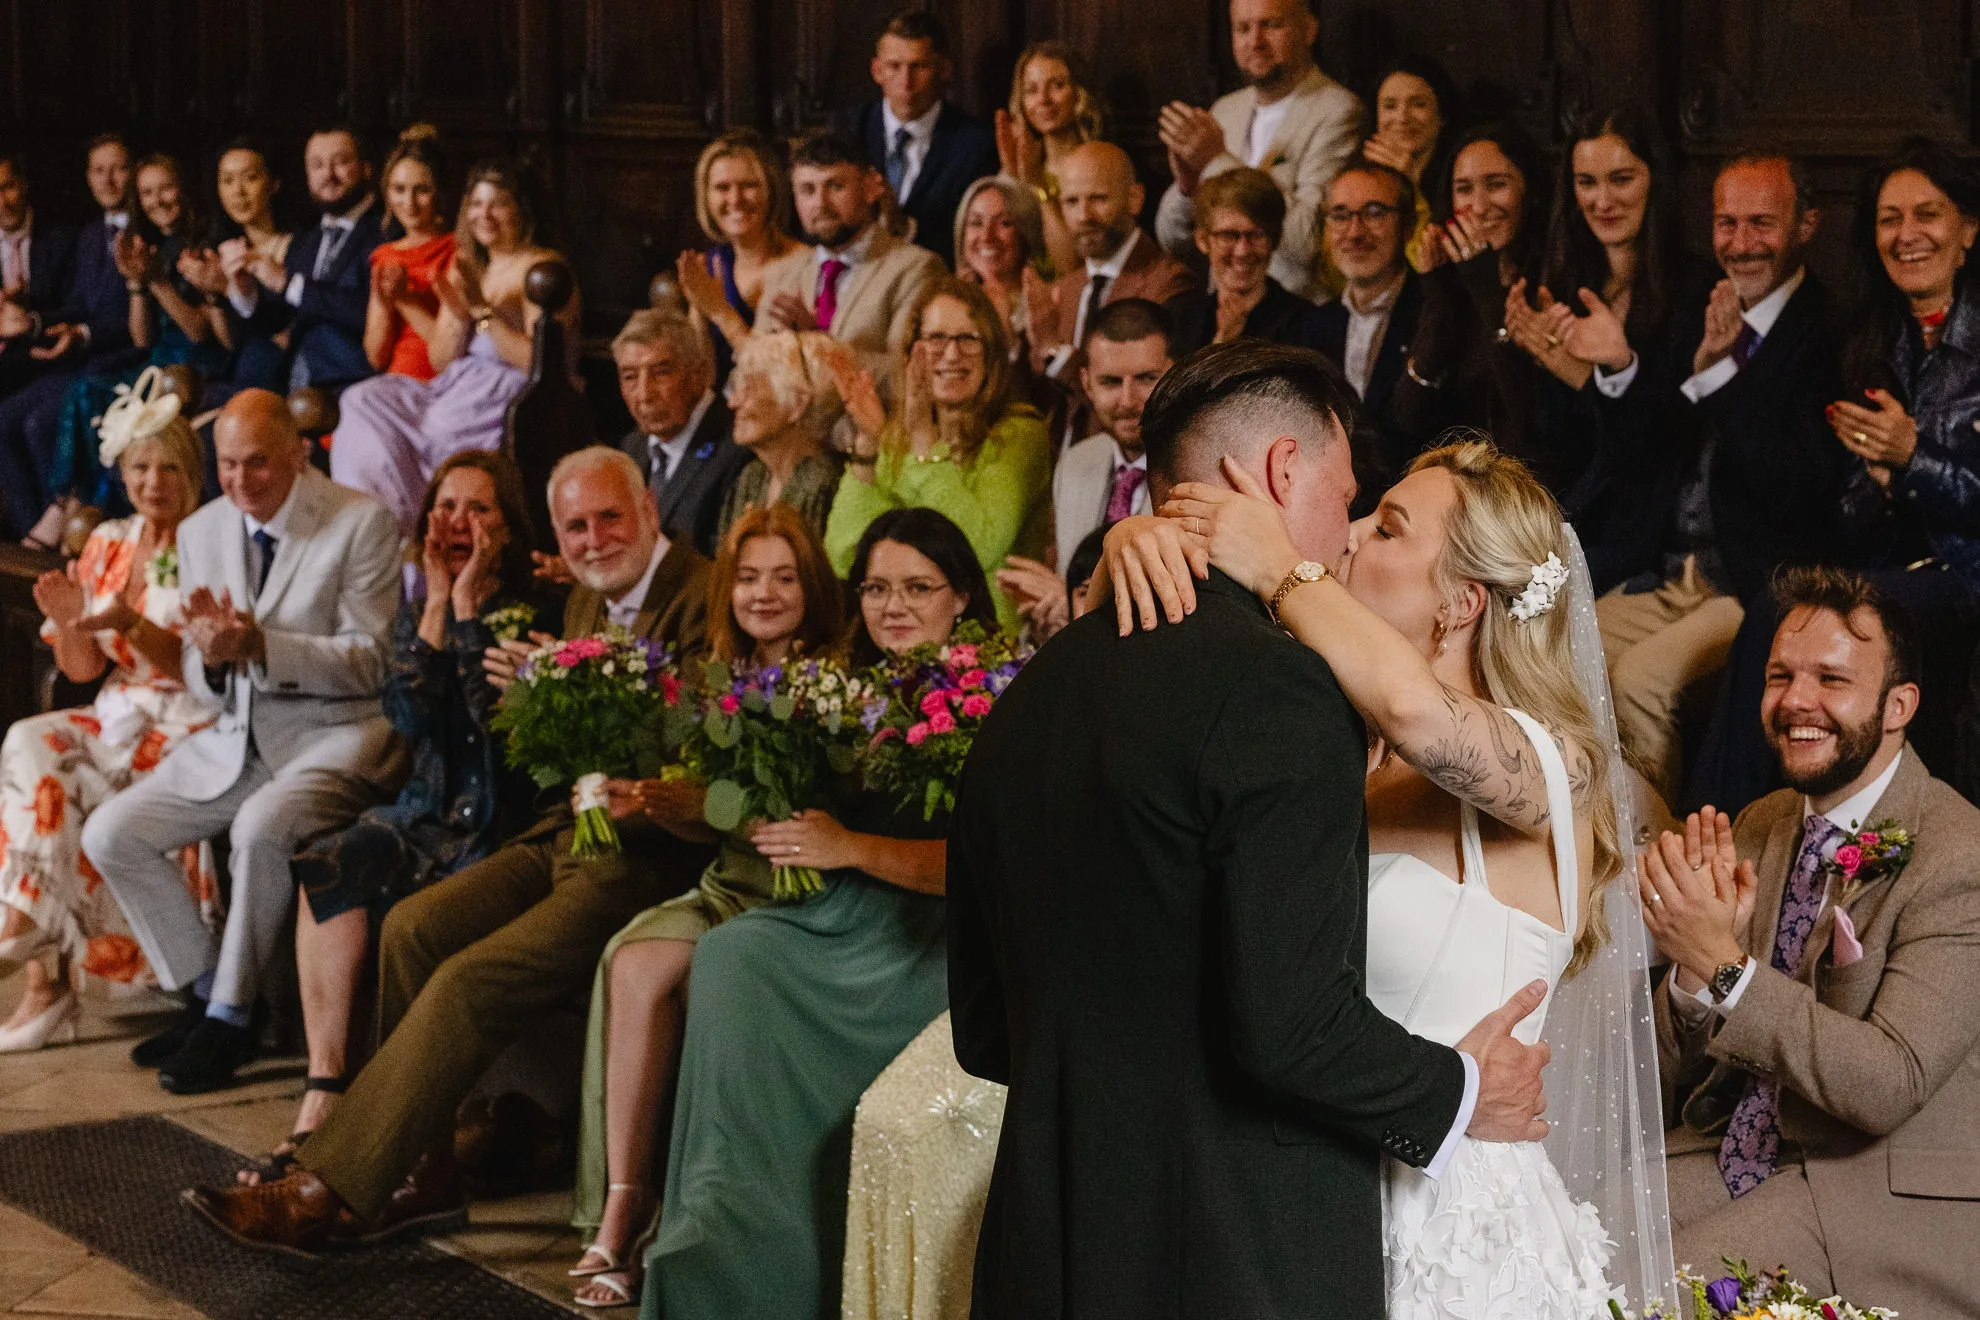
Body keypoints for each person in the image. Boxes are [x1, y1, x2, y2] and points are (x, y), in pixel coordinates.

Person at [951, 342, 1591, 1317]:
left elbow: (988, 1029)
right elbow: (1285, 1024)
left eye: (1386, 526)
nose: (1352, 532)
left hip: (1423, 1229)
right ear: (1283, 471)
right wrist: (1459, 1089)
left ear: (1467, 600)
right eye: (1355, 502)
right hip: (1259, 1238)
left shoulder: (1033, 696)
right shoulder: (1281, 705)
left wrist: (1268, 567)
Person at [181, 445, 715, 1254]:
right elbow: (477, 732)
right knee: (413, 927)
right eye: (576, 526)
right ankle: (424, 1177)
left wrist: (570, 696)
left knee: (467, 980)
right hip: (564, 829)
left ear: (647, 507)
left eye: (610, 517)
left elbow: (696, 745)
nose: (594, 539)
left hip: (646, 851)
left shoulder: (703, 593)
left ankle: (326, 1187)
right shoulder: (587, 598)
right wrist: (540, 698)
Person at [637, 506, 982, 1319]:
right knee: (731, 955)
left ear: (962, 596)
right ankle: (719, 1236)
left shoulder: (989, 692)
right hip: (847, 911)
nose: (894, 606)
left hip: (938, 935)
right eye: (876, 589)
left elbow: (983, 869)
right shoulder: (848, 689)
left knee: (738, 958)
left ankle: (797, 1260)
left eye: (918, 588)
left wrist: (849, 846)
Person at [1645, 567, 1980, 1317]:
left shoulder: (1961, 856)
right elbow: (1670, 1073)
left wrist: (1725, 968)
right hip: (1734, 1145)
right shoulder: (1764, 821)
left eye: (1831, 679)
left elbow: (1887, 1083)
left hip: (1872, 1190)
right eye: (1780, 676)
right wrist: (1693, 975)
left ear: (1899, 706)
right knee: (1561, 1234)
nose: (1797, 700)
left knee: (1643, 1295)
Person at [233, 452, 546, 1180]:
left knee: (417, 910)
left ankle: (400, 1131)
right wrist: (437, 606)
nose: (457, 523)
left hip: (497, 823)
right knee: (329, 860)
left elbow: (498, 727)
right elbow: (407, 714)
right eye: (445, 507)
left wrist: (466, 611)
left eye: (478, 509)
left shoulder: (537, 609)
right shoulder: (420, 605)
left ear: (508, 527)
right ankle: (323, 1094)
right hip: (425, 812)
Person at [83, 389, 404, 1094]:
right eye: (227, 464)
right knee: (111, 833)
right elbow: (204, 678)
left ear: (298, 452)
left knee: (259, 828)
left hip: (336, 735)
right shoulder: (203, 529)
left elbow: (373, 663)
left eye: (256, 462)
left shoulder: (361, 522)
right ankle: (206, 991)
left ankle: (229, 1021)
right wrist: (215, 656)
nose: (239, 480)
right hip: (237, 739)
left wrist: (260, 644)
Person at [567, 506, 845, 1308]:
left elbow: (805, 812)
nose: (764, 593)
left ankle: (671, 1226)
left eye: (784, 577)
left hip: (802, 894)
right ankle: (622, 1203)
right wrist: (652, 800)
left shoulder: (837, 679)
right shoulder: (714, 677)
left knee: (702, 977)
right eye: (749, 577)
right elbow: (710, 816)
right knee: (633, 960)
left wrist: (702, 802)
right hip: (729, 882)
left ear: (812, 586)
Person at [1691, 141, 1980, 817]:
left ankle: (1716, 826)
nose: (1906, 235)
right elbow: (1845, 511)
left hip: (1966, 574)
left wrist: (1913, 458)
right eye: (1889, 219)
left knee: (1790, 616)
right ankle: (1731, 832)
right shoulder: (1874, 338)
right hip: (1892, 569)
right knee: (1785, 614)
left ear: (1967, 229)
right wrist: (1878, 482)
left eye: (1927, 215)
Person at [1600, 152, 1843, 805]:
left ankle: (1658, 854)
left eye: (1761, 223)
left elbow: (1799, 484)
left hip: (1753, 581)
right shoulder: (1702, 310)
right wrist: (1680, 366)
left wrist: (1719, 380)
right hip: (1668, 572)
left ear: (1806, 225)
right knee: (1555, 646)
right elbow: (1649, 451)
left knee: (1638, 682)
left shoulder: (1831, 331)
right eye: (1726, 223)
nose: (1740, 244)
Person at [0, 375, 208, 1052]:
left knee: (69, 784)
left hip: (191, 719)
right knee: (31, 742)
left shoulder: (209, 543)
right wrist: (70, 623)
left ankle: (38, 973)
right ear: (122, 473)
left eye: (170, 468)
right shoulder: (109, 542)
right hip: (120, 709)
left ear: (192, 474)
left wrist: (132, 625)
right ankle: (28, 937)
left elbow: (201, 670)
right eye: (141, 467)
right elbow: (85, 672)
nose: (154, 482)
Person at [1506, 106, 1717, 593]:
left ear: (1655, 181)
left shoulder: (1697, 289)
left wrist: (1602, 371)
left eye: (1621, 179)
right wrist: (1539, 360)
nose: (1603, 201)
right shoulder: (1567, 284)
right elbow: (1554, 443)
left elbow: (1669, 445)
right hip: (1573, 516)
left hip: (1654, 535)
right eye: (1587, 182)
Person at [330, 158, 579, 536]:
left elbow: (540, 363)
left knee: (441, 432)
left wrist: (483, 313)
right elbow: (441, 359)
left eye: (498, 204)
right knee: (362, 400)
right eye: (476, 204)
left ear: (522, 209)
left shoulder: (542, 269)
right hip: (455, 385)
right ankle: (379, 526)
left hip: (510, 392)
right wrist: (456, 314)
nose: (485, 215)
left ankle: (421, 529)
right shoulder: (468, 266)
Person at [826, 278, 1051, 631]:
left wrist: (923, 441)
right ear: (911, 352)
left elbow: (975, 549)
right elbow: (844, 555)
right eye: (936, 339)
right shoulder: (897, 437)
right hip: (905, 637)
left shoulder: (1020, 434)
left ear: (991, 353)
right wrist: (869, 445)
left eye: (968, 339)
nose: (951, 354)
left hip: (991, 646)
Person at [52, 155, 231, 518]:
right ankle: (70, 504)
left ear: (184, 189)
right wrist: (135, 283)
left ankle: (99, 508)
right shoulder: (150, 245)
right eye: (147, 193)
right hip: (158, 360)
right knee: (85, 391)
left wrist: (156, 282)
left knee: (113, 400)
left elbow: (199, 332)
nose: (157, 201)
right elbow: (143, 338)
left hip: (196, 367)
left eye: (166, 189)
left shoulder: (205, 243)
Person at [1154, 0, 1361, 302]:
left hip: (1296, 312)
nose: (1255, 41)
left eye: (1271, 25)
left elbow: (1309, 242)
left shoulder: (1337, 111)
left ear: (1308, 30)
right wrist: (1187, 188)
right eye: (1242, 28)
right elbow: (1172, 240)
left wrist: (1216, 160)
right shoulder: (1226, 110)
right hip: (1225, 308)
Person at [0, 136, 143, 545]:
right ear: (88, 177)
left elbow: (132, 323)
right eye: (99, 171)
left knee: (39, 423)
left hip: (123, 360)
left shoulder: (145, 231)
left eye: (118, 169)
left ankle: (64, 537)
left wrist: (82, 333)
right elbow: (79, 304)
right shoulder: (91, 234)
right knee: (4, 419)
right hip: (82, 358)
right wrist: (35, 323)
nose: (108, 180)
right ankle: (32, 542)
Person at [753, 130, 947, 389]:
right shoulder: (782, 275)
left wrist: (816, 343)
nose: (820, 203)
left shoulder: (916, 268)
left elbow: (911, 373)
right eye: (808, 190)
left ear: (869, 188)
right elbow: (751, 371)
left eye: (836, 186)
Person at [833, 9, 998, 270]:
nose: (906, 82)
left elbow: (969, 238)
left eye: (919, 66)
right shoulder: (847, 131)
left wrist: (905, 226)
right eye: (894, 66)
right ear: (877, 70)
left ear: (944, 70)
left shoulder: (975, 145)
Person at [1028, 141, 1192, 401]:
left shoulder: (1171, 283)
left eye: (1098, 198)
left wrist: (1055, 352)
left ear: (1134, 199)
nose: (1084, 216)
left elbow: (1143, 399)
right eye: (1071, 201)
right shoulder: (1063, 290)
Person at [228, 125, 383, 392]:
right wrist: (245, 291)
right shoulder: (308, 240)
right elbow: (281, 319)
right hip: (294, 379)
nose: (328, 174)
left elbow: (367, 311)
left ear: (366, 168)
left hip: (351, 382)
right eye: (317, 165)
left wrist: (289, 284)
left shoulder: (384, 232)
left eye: (340, 162)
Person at [1312, 159, 1426, 510]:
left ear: (1408, 225)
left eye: (1374, 213)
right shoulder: (1312, 324)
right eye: (1340, 215)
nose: (1355, 232)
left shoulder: (1435, 315)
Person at [611, 308, 747, 556]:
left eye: (661, 373)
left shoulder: (738, 448)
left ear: (698, 374)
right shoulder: (632, 446)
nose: (644, 394)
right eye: (630, 377)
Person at [1049, 297, 1171, 571]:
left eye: (1146, 378)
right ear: (1087, 384)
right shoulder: (1075, 463)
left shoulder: (1200, 472)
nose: (1127, 400)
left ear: (1174, 374)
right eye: (1110, 382)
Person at [671, 129, 801, 382]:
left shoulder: (803, 263)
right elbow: (702, 379)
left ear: (771, 190)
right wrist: (700, 309)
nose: (735, 199)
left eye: (749, 186)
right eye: (722, 187)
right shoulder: (710, 265)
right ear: (706, 198)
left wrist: (720, 311)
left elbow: (778, 376)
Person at [1166, 167, 1328, 355]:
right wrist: (1222, 342)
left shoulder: (1305, 325)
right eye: (1228, 235)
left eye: (1257, 235)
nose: (1242, 251)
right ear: (1202, 240)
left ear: (1274, 240)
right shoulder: (1180, 319)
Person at [716, 329, 846, 542]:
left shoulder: (823, 484)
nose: (733, 403)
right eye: (736, 389)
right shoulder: (752, 477)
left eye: (749, 390)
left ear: (797, 405)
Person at [993, 40, 1103, 276]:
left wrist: (1038, 187)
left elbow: (1070, 268)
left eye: (1057, 86)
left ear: (1079, 93)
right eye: (1031, 90)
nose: (1043, 99)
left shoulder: (1097, 165)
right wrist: (1011, 178)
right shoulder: (1020, 164)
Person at [361, 125, 454, 383]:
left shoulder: (455, 249)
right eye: (399, 190)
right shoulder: (384, 256)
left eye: (421, 190)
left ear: (439, 192)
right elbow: (376, 357)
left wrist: (403, 299)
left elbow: (450, 352)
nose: (409, 203)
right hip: (397, 380)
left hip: (443, 381)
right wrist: (384, 301)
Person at [1360, 58, 1457, 272]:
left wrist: (1412, 183)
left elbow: (1428, 266)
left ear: (1442, 115)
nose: (1402, 117)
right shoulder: (1356, 176)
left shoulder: (1460, 180)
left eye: (1418, 104)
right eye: (1390, 106)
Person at [0, 153, 80, 398]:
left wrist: (31, 322)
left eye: (7, 187)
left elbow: (78, 305)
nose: (2, 202)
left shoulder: (62, 237)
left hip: (54, 356)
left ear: (24, 184)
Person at [952, 176, 1052, 366]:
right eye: (976, 223)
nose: (986, 236)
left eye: (1004, 223)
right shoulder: (944, 304)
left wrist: (1006, 336)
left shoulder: (1049, 306)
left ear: (1027, 232)